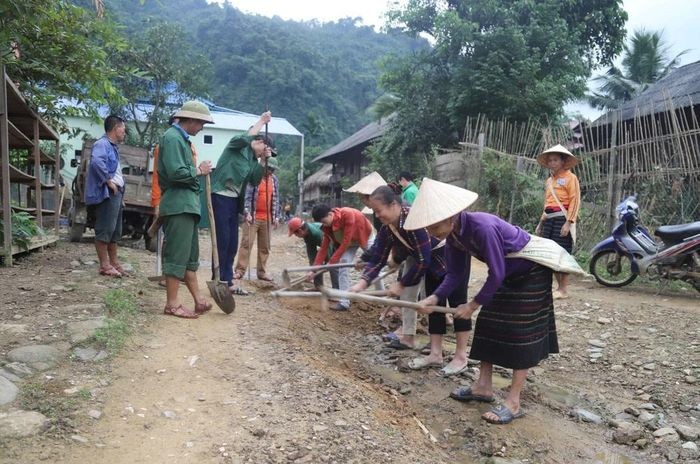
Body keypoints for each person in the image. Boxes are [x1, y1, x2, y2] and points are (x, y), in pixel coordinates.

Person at [405, 178, 560, 425]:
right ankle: (483, 386)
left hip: (531, 273)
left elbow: (495, 272)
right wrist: (434, 297)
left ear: (450, 216)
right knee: (487, 326)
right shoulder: (454, 237)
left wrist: (472, 304)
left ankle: (514, 402)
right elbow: (454, 274)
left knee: (521, 335)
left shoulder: (482, 227)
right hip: (506, 274)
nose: (431, 233)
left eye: (433, 227)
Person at [350, 186, 471, 375]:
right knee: (433, 305)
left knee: (458, 305)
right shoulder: (388, 228)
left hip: (450, 257)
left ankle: (461, 356)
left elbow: (422, 259)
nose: (377, 215)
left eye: (379, 210)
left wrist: (401, 283)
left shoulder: (413, 221)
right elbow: (379, 258)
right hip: (430, 263)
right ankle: (436, 354)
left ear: (394, 205)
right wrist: (362, 284)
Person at [157, 100, 214, 319]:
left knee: (190, 257)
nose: (201, 129)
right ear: (190, 120)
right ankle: (172, 304)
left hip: (187, 205)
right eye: (201, 124)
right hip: (178, 204)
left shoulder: (181, 139)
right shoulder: (172, 138)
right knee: (177, 256)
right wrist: (198, 170)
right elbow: (175, 172)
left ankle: (198, 300)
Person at [210, 111, 273, 294]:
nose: (264, 151)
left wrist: (263, 161)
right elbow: (244, 138)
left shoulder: (254, 160)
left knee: (232, 242)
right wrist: (261, 121)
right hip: (220, 195)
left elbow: (253, 180)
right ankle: (222, 280)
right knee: (222, 239)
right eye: (264, 148)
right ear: (260, 142)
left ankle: (226, 279)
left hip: (233, 201)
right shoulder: (237, 146)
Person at [534, 144, 581, 300]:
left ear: (563, 161)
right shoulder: (549, 181)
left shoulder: (570, 178)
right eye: (550, 161)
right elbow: (547, 203)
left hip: (562, 219)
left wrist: (569, 222)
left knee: (563, 252)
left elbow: (575, 200)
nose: (552, 163)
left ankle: (563, 289)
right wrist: (540, 223)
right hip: (549, 220)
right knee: (550, 253)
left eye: (555, 160)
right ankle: (557, 287)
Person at [85, 115, 128, 278]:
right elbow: (96, 162)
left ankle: (114, 264)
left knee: (115, 232)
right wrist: (108, 181)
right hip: (107, 194)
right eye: (123, 128)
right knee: (105, 229)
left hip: (116, 194)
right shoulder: (102, 144)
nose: (124, 132)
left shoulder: (113, 147)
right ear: (115, 128)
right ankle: (104, 265)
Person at [308, 205, 373, 311]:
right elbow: (323, 249)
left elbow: (346, 241)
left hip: (364, 235)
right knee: (343, 268)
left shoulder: (347, 214)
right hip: (349, 244)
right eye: (322, 223)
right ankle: (344, 302)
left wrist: (331, 262)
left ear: (330, 214)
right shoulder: (327, 227)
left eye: (324, 222)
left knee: (375, 264)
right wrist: (314, 270)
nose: (324, 225)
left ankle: (383, 297)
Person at [234, 156, 280, 283]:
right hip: (252, 217)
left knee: (265, 246)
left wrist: (276, 216)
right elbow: (247, 196)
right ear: (264, 166)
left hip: (267, 218)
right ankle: (239, 271)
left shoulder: (274, 180)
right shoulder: (254, 177)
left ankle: (262, 272)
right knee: (246, 243)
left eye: (273, 169)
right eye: (269, 168)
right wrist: (247, 212)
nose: (271, 171)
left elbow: (276, 198)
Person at [288, 217, 339, 289]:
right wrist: (313, 269)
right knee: (315, 265)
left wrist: (328, 263)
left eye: (295, 234)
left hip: (336, 242)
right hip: (326, 245)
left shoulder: (316, 234)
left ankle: (337, 291)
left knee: (333, 266)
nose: (296, 236)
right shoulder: (306, 234)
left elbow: (328, 247)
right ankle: (318, 287)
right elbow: (311, 253)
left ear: (300, 231)